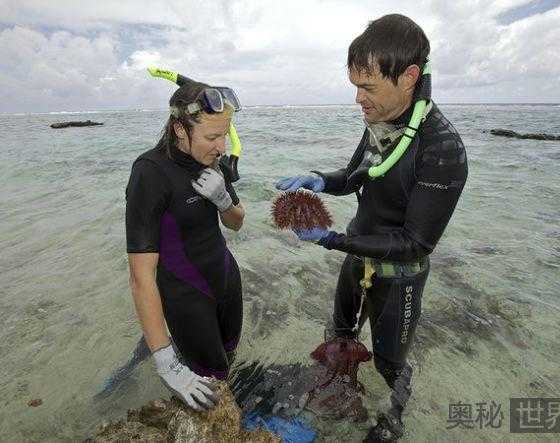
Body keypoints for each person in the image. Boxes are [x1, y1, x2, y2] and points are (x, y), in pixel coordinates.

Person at [276, 14, 468, 442]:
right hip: (356, 258)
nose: (358, 99)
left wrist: (332, 240)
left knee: (390, 363)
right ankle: (337, 391)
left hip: (398, 277)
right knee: (337, 336)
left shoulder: (442, 148)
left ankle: (393, 420)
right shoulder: (379, 124)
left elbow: (416, 242)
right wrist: (320, 180)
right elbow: (355, 175)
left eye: (367, 87)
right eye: (355, 87)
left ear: (409, 78)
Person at [125, 80, 245, 411]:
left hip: (225, 278)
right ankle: (157, 350)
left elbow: (237, 221)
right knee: (211, 387)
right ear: (180, 129)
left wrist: (223, 199)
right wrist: (167, 364)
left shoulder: (212, 159)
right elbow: (140, 277)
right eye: (211, 137)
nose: (222, 146)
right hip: (186, 294)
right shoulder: (150, 174)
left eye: (225, 134)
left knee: (229, 358)